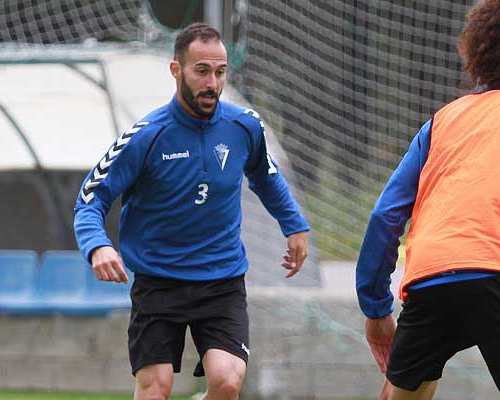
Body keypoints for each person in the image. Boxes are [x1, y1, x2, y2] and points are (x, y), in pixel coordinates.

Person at [74, 22, 310, 400]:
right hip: (158, 280)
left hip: (221, 279)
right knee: (155, 388)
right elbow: (91, 198)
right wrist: (98, 245)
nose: (212, 83)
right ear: (176, 70)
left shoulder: (244, 127)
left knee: (227, 379)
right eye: (201, 71)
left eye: (219, 72)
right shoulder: (146, 136)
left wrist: (294, 225)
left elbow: (266, 176)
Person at [355, 1, 500, 398]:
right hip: (492, 269)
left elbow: (386, 215)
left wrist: (375, 307)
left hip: (431, 276)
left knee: (402, 393)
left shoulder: (443, 121)